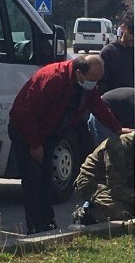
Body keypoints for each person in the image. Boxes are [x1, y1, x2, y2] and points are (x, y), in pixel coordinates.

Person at [8, 54, 126, 234]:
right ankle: (34, 227)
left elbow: (97, 105)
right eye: (92, 80)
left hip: (49, 133)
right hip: (26, 130)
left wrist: (117, 129)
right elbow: (25, 113)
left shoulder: (85, 84)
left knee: (46, 178)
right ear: (79, 72)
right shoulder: (53, 79)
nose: (94, 84)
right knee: (33, 179)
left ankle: (47, 222)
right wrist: (34, 144)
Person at [73, 131, 135, 225]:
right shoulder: (119, 148)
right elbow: (116, 189)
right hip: (92, 181)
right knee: (122, 214)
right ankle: (86, 214)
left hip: (119, 182)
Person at [98, 13, 135, 95]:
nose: (134, 37)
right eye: (132, 33)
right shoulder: (108, 52)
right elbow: (101, 84)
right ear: (123, 28)